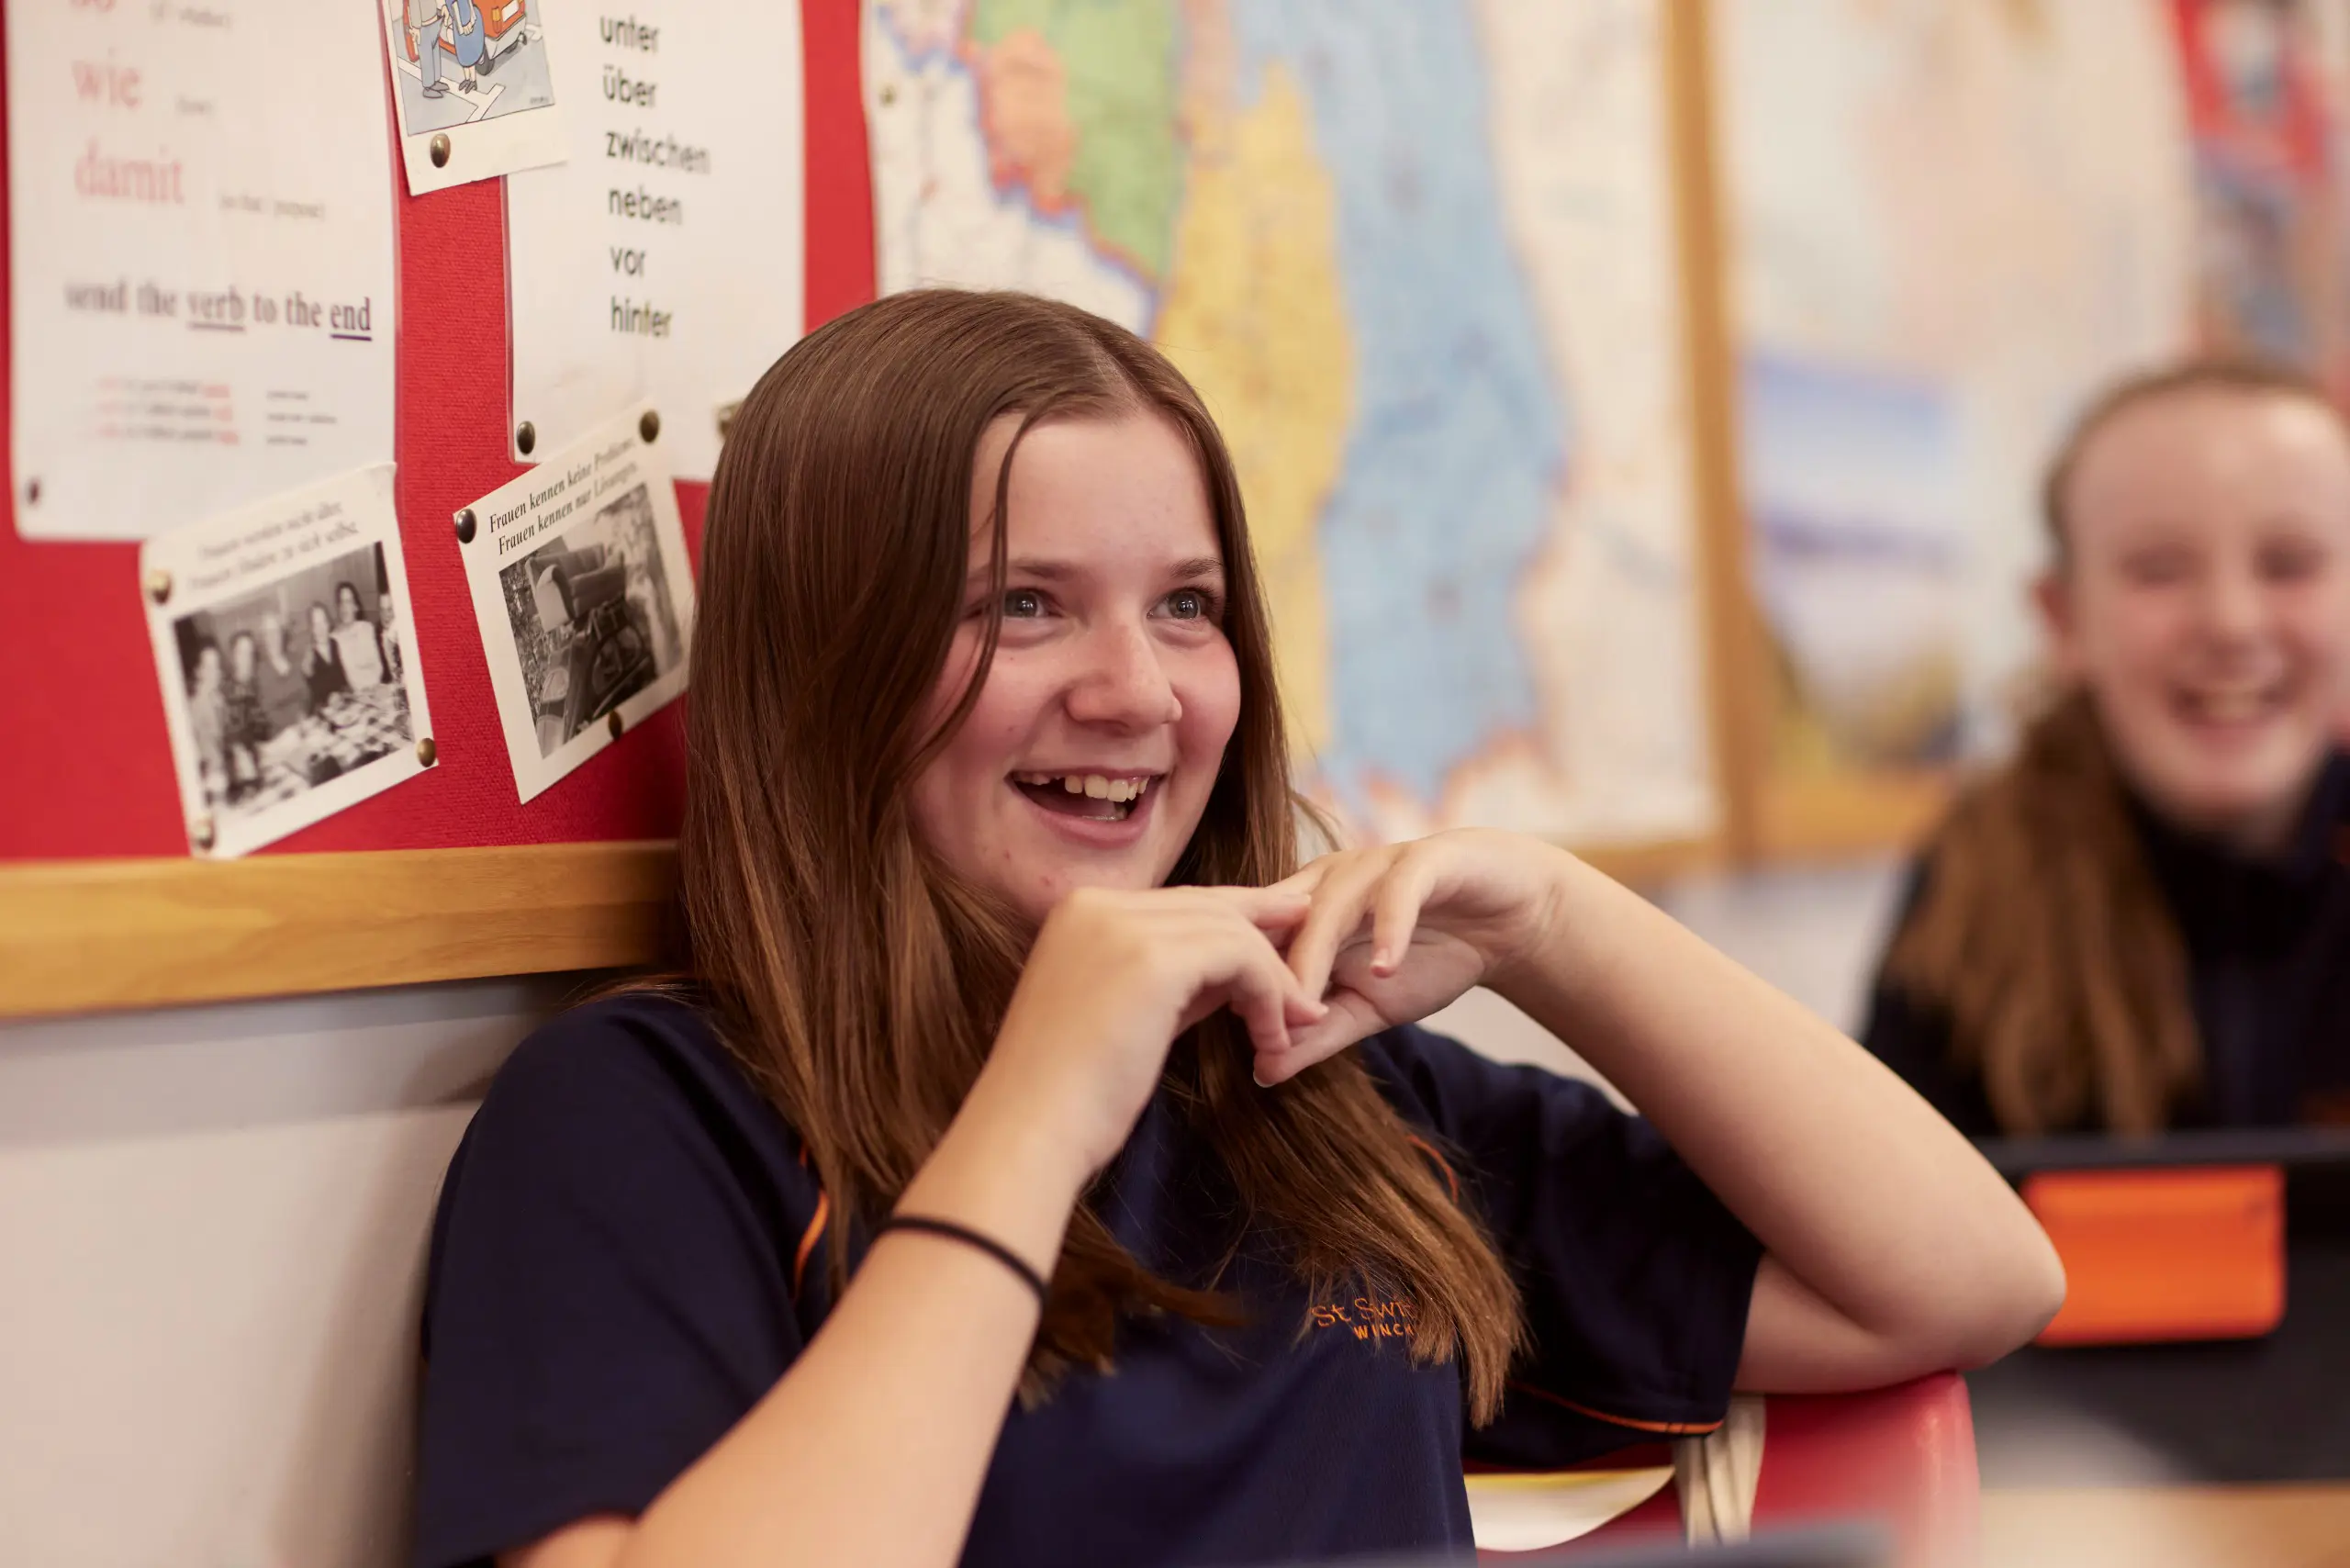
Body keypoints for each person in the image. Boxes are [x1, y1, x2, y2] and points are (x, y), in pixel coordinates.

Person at [412, 290, 2062, 1568]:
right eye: (1021, 605)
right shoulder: (637, 1117)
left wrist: (1559, 925)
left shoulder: (1325, 1106)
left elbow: (1968, 1277)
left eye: (1187, 606)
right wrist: (1041, 1107)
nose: (1137, 691)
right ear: (830, 665)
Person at [1864, 360, 2350, 1136]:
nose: (2231, 623)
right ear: (2063, 620)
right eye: (2158, 570)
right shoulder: (1972, 894)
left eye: (2289, 564)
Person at [221, 631, 269, 801]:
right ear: (233, 657)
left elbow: (261, 730)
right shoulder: (227, 693)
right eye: (241, 653)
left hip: (262, 764)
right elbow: (235, 745)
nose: (246, 659)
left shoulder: (253, 684)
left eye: (250, 653)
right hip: (243, 779)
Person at [185, 638, 229, 807]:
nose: (215, 673)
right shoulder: (194, 709)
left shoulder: (219, 699)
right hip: (211, 789)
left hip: (226, 780)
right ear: (198, 672)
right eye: (209, 668)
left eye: (217, 666)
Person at [252, 611, 310, 738]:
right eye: (268, 633)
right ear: (263, 638)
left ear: (281, 634)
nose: (273, 637)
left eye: (276, 631)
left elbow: (305, 693)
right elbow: (269, 712)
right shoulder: (261, 671)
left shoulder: (293, 659)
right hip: (283, 735)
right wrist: (293, 725)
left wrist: (302, 715)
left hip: (305, 723)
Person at [330, 581, 388, 690]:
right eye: (341, 602)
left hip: (378, 688)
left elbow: (378, 665)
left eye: (348, 601)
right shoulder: (334, 639)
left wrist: (374, 688)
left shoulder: (368, 629)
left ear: (356, 607)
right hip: (356, 697)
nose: (344, 607)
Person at [303, 602, 350, 712]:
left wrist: (342, 695)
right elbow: (311, 698)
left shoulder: (335, 644)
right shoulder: (309, 657)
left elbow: (344, 681)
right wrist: (328, 700)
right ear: (311, 629)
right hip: (323, 713)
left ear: (329, 623)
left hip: (343, 707)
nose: (321, 629)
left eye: (323, 622)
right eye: (316, 624)